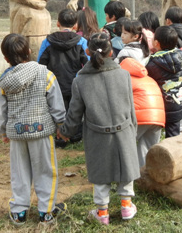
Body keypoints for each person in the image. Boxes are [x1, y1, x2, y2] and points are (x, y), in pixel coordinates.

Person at [58, 33, 140, 225]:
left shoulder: (81, 81)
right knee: (125, 167)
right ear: (112, 52)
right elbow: (130, 107)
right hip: (124, 129)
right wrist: (132, 130)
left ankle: (102, 213)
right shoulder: (123, 74)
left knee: (100, 173)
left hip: (97, 134)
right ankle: (126, 206)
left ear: (87, 52)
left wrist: (65, 131)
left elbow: (75, 112)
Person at [0, 34, 66, 225]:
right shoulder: (46, 74)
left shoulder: (5, 81)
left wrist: (4, 131)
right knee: (45, 171)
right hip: (42, 132)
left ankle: (19, 211)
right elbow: (57, 105)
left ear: (6, 58)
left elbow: (2, 110)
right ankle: (46, 211)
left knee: (19, 172)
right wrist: (61, 125)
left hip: (17, 133)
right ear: (29, 51)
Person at [38, 8, 88, 146]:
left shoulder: (47, 42)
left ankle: (60, 138)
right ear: (75, 25)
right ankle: (75, 136)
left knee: (57, 109)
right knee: (75, 109)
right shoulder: (81, 41)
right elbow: (88, 62)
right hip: (75, 82)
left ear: (58, 23)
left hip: (54, 83)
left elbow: (40, 64)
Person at [120, 57, 165, 167]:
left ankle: (125, 174)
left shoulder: (124, 79)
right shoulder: (148, 78)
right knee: (148, 149)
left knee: (124, 145)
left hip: (140, 118)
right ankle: (147, 177)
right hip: (158, 118)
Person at [146, 26, 182, 137]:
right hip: (178, 102)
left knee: (156, 134)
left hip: (162, 105)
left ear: (156, 43)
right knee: (173, 133)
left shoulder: (153, 64)